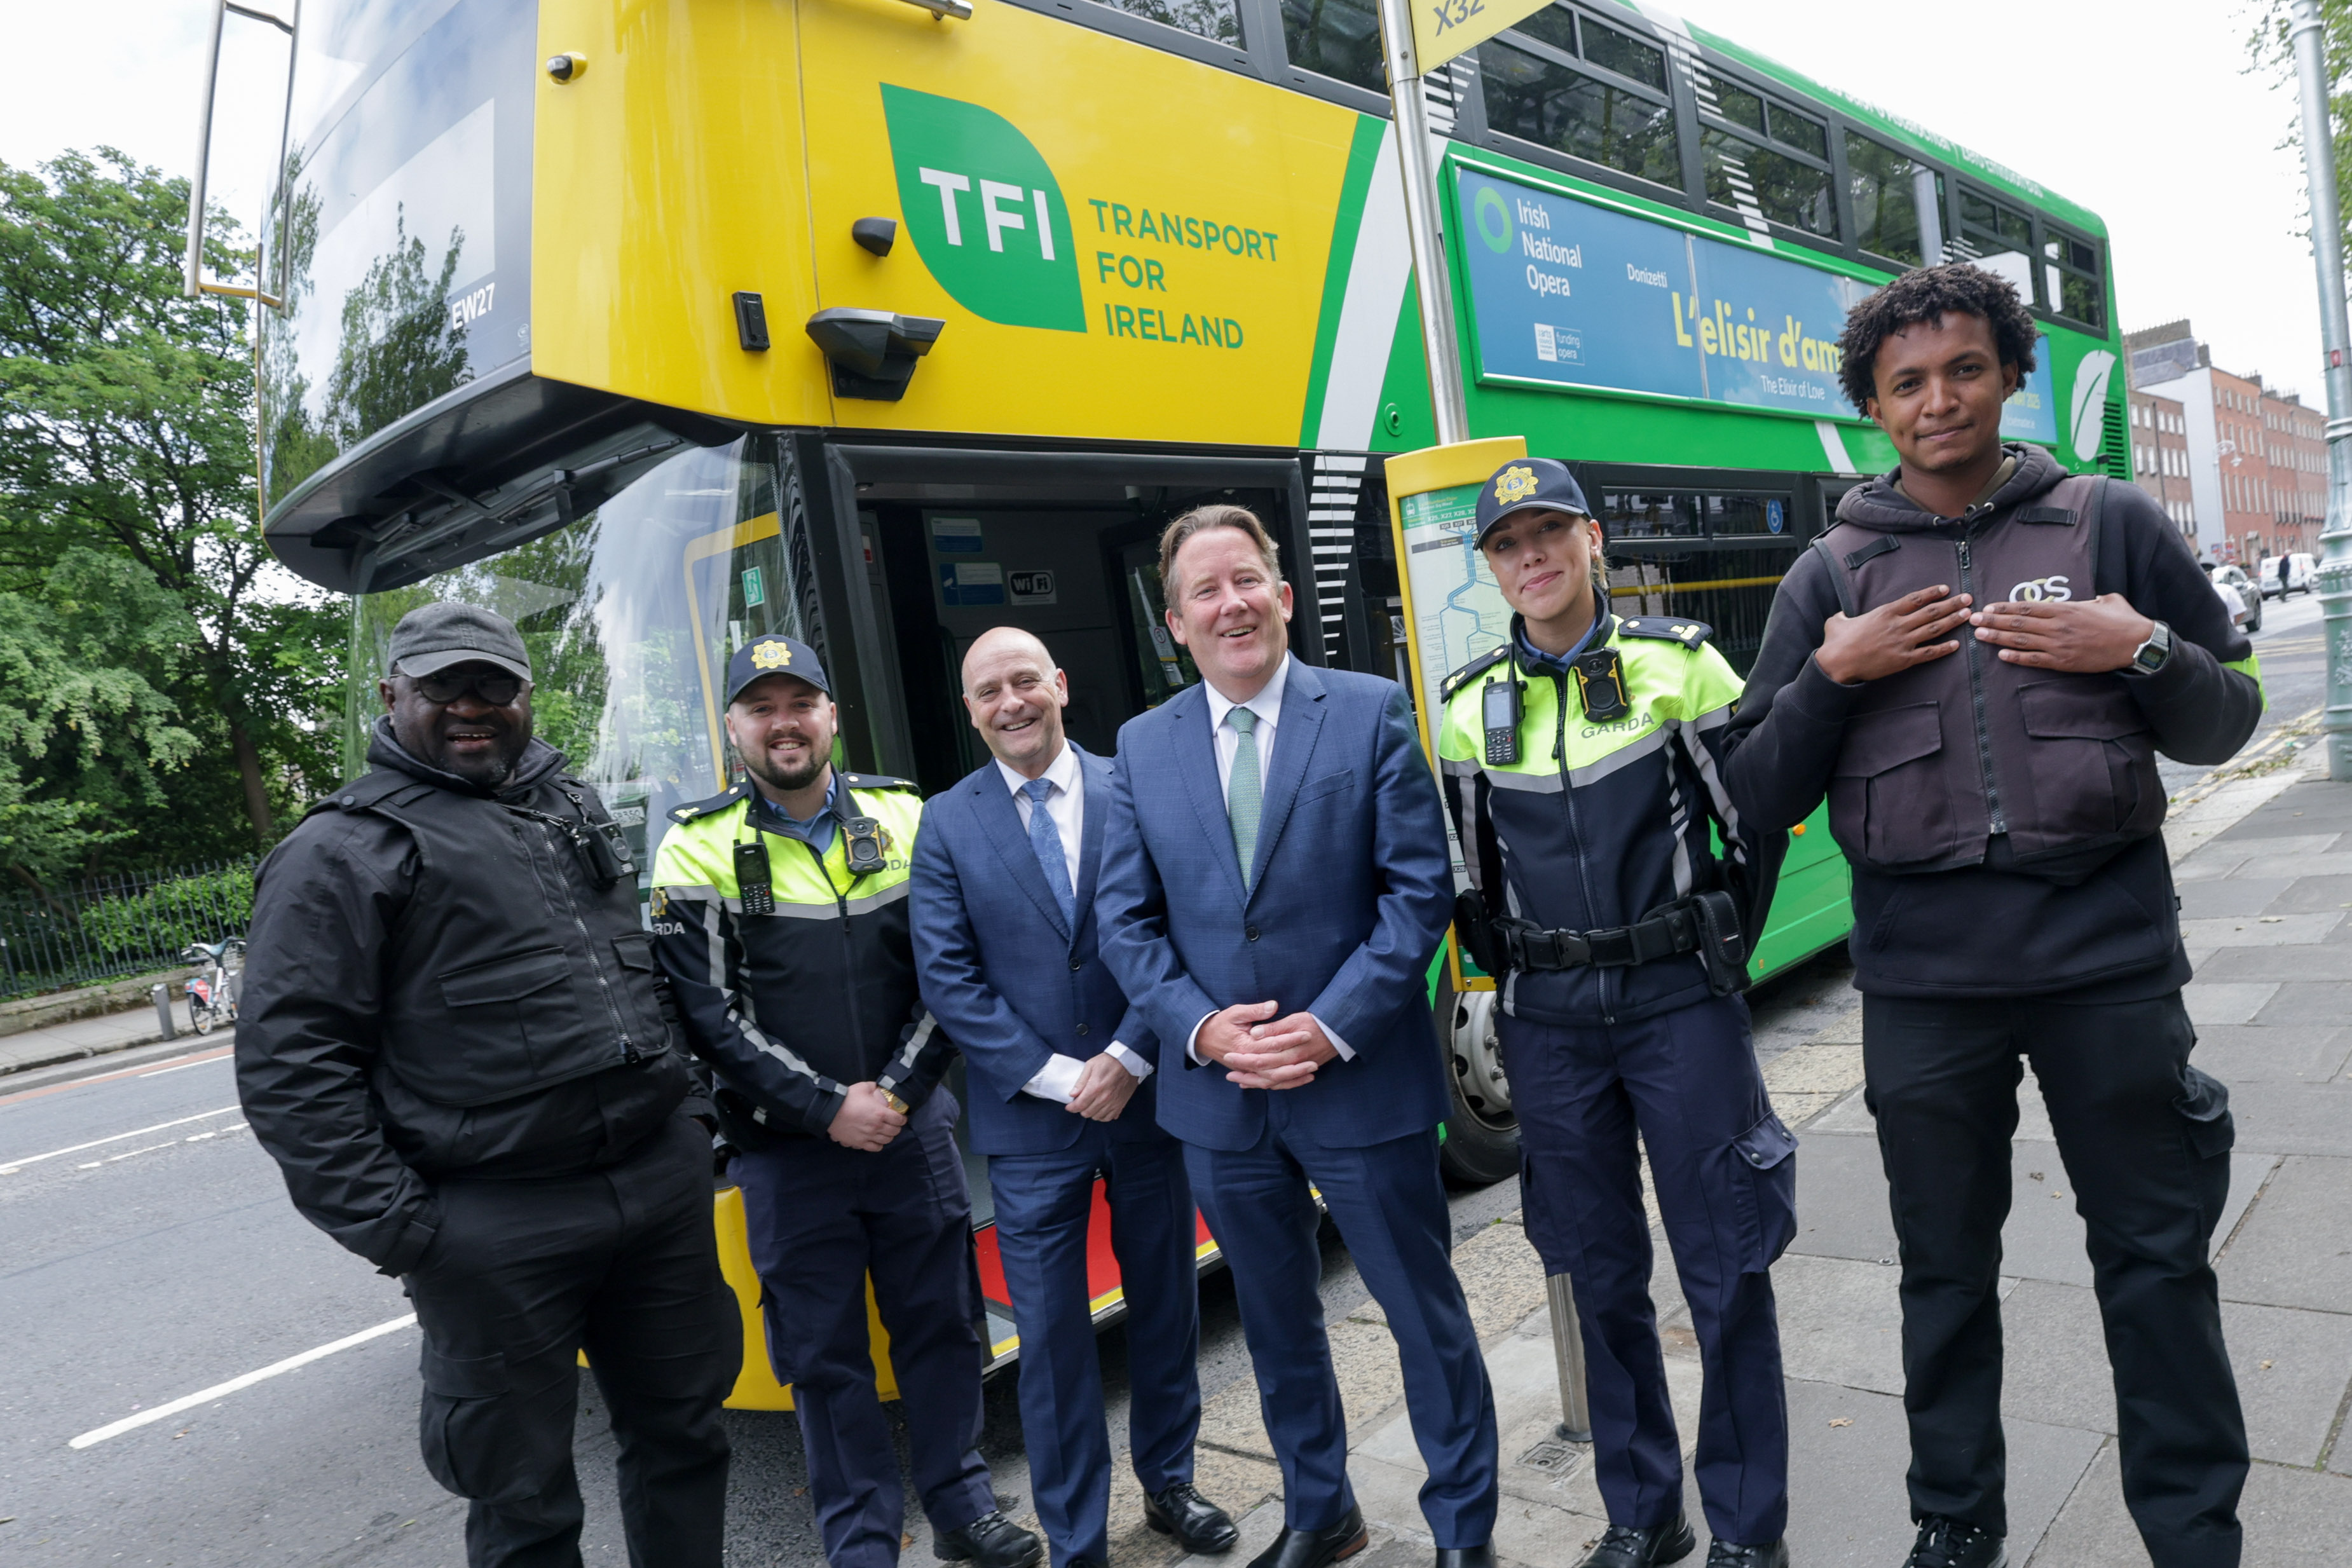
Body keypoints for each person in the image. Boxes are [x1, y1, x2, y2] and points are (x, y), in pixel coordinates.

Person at [1721, 262, 2259, 1568]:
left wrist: (2135, 648)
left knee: (2153, 1260)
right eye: (1903, 382)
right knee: (1942, 1275)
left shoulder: (2105, 521)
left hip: (2108, 966)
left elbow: (2222, 715)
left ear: (2009, 374)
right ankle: (1954, 1524)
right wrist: (1830, 679)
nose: (1936, 399)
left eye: (1962, 369)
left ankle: (2190, 1535)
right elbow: (1749, 790)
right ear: (1870, 406)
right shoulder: (1831, 572)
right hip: (1923, 987)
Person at [236, 603, 738, 1568]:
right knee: (523, 1499)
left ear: (524, 696)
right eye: (443, 687)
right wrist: (413, 1233)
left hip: (654, 1192)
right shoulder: (338, 852)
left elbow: (637, 972)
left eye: (493, 685)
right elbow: (290, 1069)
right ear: (394, 696)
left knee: (686, 1442)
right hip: (494, 1228)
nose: (472, 706)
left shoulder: (567, 802)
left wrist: (690, 1120)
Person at [1095, 505, 1499, 1568]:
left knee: (1425, 1318)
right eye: (1204, 593)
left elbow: (1419, 898)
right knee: (1276, 1326)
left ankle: (1465, 1531)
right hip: (1221, 1103)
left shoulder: (1367, 713)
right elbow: (1126, 926)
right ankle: (1324, 1512)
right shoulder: (1140, 746)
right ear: (1175, 623)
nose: (1230, 604)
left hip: (1359, 1085)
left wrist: (1327, 1028)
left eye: (1247, 581)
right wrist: (1200, 1030)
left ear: (1281, 593)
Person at [1435, 460, 1792, 1568]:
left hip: (1677, 1004)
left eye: (1549, 533)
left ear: (1592, 540)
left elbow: (1756, 829)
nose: (1531, 557)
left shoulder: (1678, 667)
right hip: (1550, 1026)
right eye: (1508, 544)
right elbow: (1467, 874)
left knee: (1725, 1267)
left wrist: (1721, 953)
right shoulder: (1464, 708)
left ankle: (1745, 1527)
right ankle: (1645, 1511)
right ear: (1492, 567)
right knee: (1596, 1271)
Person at [648, 634, 1042, 1568]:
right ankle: (861, 1539)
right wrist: (828, 1108)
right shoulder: (695, 845)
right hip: (787, 1156)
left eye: (801, 703)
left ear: (832, 714)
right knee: (822, 1359)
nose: (784, 724)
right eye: (762, 707)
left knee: (943, 1327)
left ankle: (960, 1509)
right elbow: (708, 1018)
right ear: (735, 726)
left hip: (912, 1137)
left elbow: (949, 976)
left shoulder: (910, 816)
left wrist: (897, 1096)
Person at [910, 626, 1237, 1568]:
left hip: (1147, 1098)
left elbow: (1177, 924)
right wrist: (1061, 1078)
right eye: (988, 692)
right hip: (1030, 1123)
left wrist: (1131, 1055)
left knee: (1167, 1301)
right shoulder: (947, 823)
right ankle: (1077, 1538)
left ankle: (1172, 1485)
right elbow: (950, 978)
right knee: (1052, 1342)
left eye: (1025, 681)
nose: (1011, 702)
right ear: (970, 712)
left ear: (1058, 683)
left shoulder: (1132, 782)